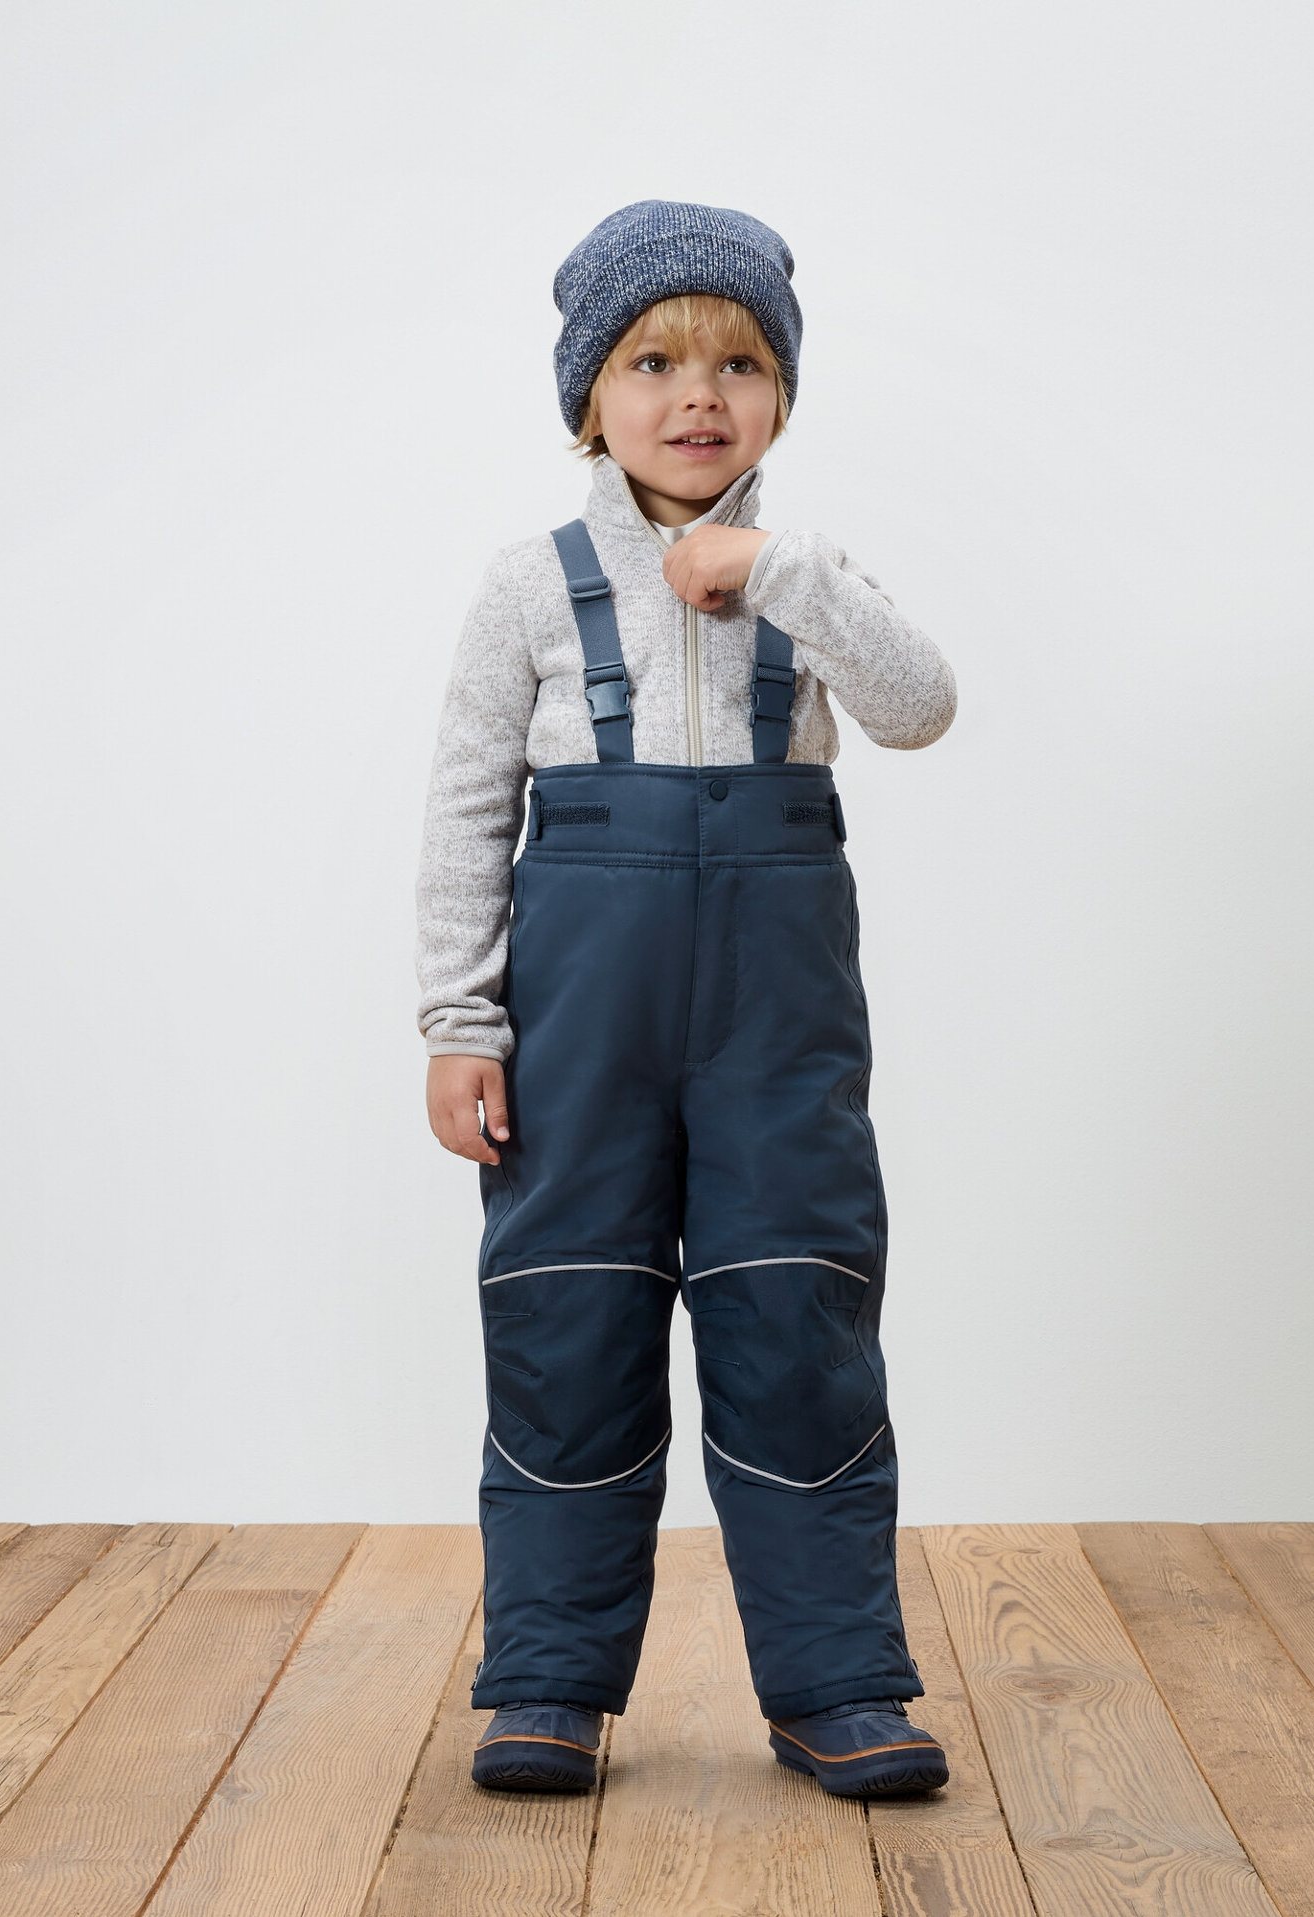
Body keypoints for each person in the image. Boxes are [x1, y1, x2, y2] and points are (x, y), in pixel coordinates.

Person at [416, 200, 957, 1798]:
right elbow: (464, 813)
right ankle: (546, 1681)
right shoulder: (530, 586)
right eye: (652, 362)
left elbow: (920, 706)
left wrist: (777, 576)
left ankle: (837, 1684)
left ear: (780, 395)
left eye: (737, 364)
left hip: (774, 1032)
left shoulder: (810, 575)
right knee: (565, 1319)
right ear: (590, 396)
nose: (697, 394)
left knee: (797, 1321)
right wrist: (458, 1024)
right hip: (580, 1031)